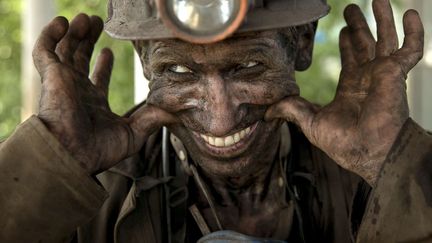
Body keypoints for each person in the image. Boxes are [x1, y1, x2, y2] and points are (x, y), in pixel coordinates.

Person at [0, 0, 430, 242]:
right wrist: (54, 160)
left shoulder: (366, 174)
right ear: (144, 62)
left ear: (301, 45)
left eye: (247, 66)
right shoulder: (88, 195)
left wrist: (391, 163)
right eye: (180, 73)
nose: (221, 119)